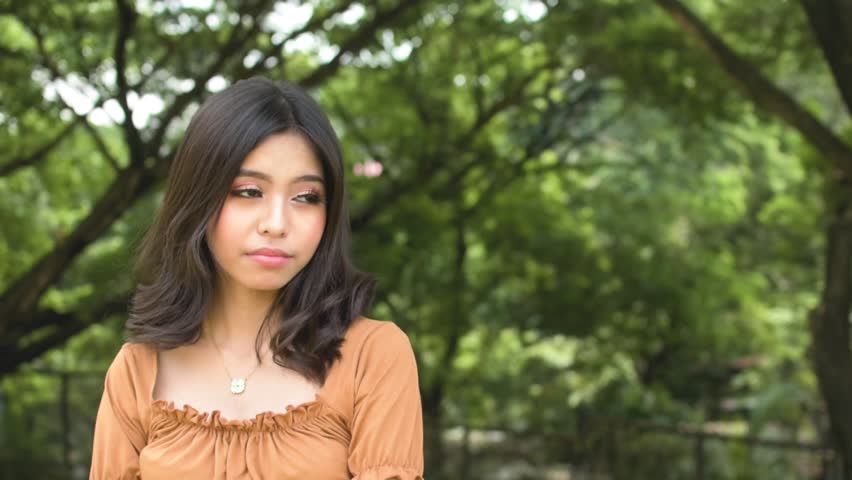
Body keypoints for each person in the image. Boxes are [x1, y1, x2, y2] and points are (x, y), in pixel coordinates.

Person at [89, 77, 424, 479]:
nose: (277, 223)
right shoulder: (138, 369)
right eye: (248, 191)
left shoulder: (373, 356)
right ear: (199, 198)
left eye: (306, 197)